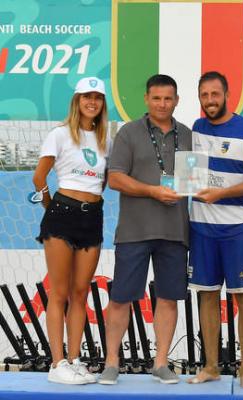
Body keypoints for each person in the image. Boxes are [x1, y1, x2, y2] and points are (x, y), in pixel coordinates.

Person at [98, 74, 191, 385]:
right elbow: (115, 178)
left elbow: (198, 179)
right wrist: (153, 191)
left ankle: (161, 363)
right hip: (134, 231)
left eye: (168, 98)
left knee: (168, 298)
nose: (162, 104)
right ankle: (112, 362)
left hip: (175, 231)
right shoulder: (128, 132)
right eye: (156, 98)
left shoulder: (188, 135)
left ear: (177, 100)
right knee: (121, 297)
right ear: (146, 99)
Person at [187, 71, 243, 388]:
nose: (210, 100)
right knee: (207, 296)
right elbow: (186, 177)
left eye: (215, 94)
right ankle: (211, 366)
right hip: (202, 226)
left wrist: (222, 193)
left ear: (227, 95)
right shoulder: (195, 129)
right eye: (204, 95)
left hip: (238, 227)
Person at [33, 77, 111, 384]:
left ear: (102, 103)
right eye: (86, 97)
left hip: (93, 216)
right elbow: (39, 178)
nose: (92, 102)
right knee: (60, 292)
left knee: (80, 292)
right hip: (62, 214)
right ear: (77, 101)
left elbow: (103, 182)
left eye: (97, 97)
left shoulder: (105, 139)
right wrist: (50, 207)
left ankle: (75, 360)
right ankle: (57, 363)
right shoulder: (60, 134)